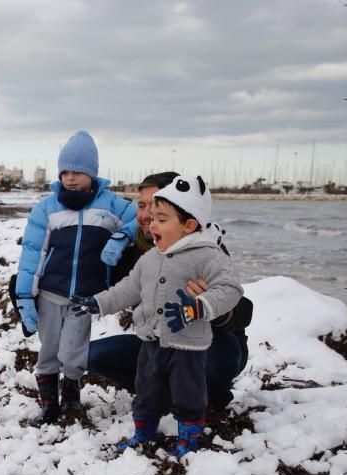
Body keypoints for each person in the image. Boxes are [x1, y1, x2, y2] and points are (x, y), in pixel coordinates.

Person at [72, 174, 243, 457]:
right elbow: (127, 288)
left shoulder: (208, 255)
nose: (151, 224)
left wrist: (200, 306)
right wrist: (98, 303)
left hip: (188, 344)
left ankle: (188, 437)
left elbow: (231, 289)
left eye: (161, 219)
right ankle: (144, 432)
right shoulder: (150, 257)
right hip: (151, 340)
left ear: (189, 225)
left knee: (189, 392)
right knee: (147, 389)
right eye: (150, 217)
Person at [14, 130, 138, 426]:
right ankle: (49, 406)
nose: (70, 178)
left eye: (78, 171)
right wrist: (23, 297)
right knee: (49, 351)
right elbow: (31, 254)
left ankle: (71, 399)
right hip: (50, 293)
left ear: (92, 172)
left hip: (86, 297)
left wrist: (120, 237)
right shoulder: (47, 207)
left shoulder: (110, 205)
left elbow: (141, 220)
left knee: (74, 353)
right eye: (65, 171)